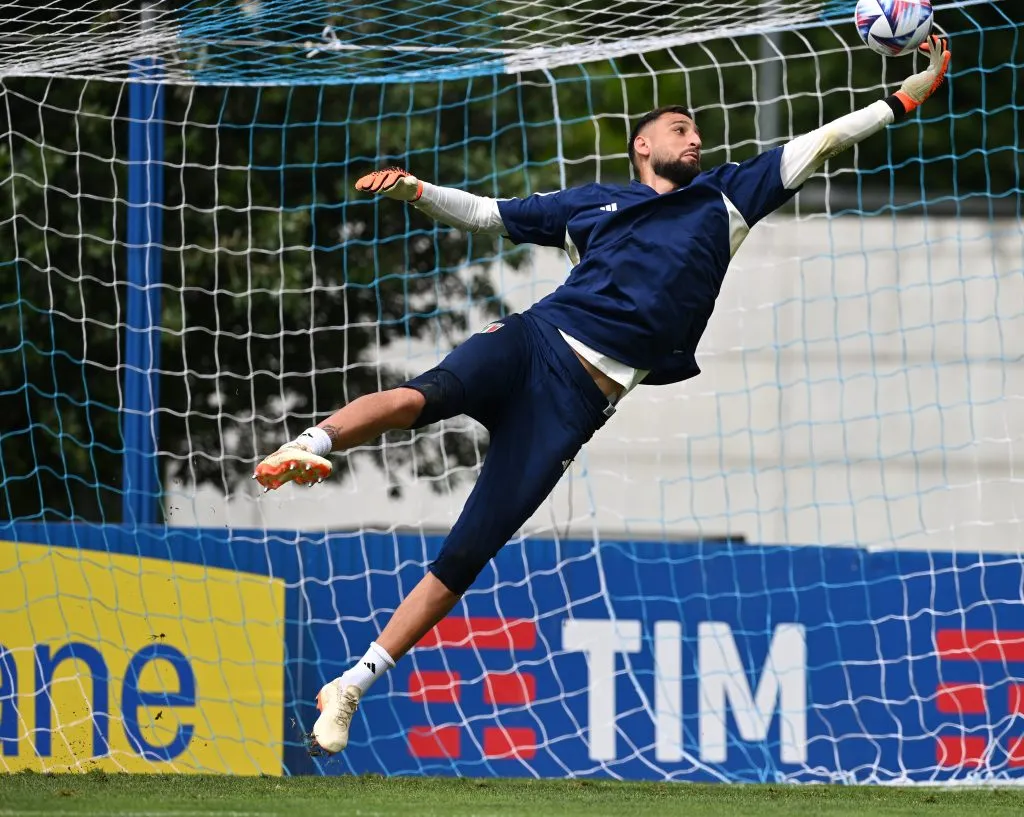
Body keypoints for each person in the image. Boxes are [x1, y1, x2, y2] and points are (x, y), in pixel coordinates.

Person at [253, 37, 951, 754]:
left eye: (698, 131)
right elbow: (492, 214)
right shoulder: (594, 203)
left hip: (575, 405)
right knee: (425, 395)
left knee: (469, 553)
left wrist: (906, 95)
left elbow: (827, 139)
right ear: (643, 143)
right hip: (533, 341)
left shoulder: (728, 197)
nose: (696, 137)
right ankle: (309, 444)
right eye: (681, 128)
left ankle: (350, 686)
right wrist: (416, 191)